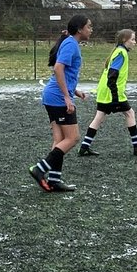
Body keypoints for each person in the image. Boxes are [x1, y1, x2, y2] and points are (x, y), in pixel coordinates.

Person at [28, 14, 92, 193]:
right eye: (89, 26)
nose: (91, 30)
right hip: (57, 98)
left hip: (52, 96)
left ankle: (54, 180)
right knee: (73, 138)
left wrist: (74, 91)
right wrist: (66, 97)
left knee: (59, 140)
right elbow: (58, 68)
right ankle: (40, 169)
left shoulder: (71, 43)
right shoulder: (71, 44)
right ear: (80, 29)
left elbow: (67, 73)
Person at [78, 29, 137, 157]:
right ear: (124, 40)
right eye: (133, 39)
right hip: (112, 92)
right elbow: (112, 75)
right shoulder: (121, 53)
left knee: (99, 117)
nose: (135, 42)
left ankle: (84, 147)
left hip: (104, 91)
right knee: (130, 113)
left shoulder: (118, 51)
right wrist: (115, 97)